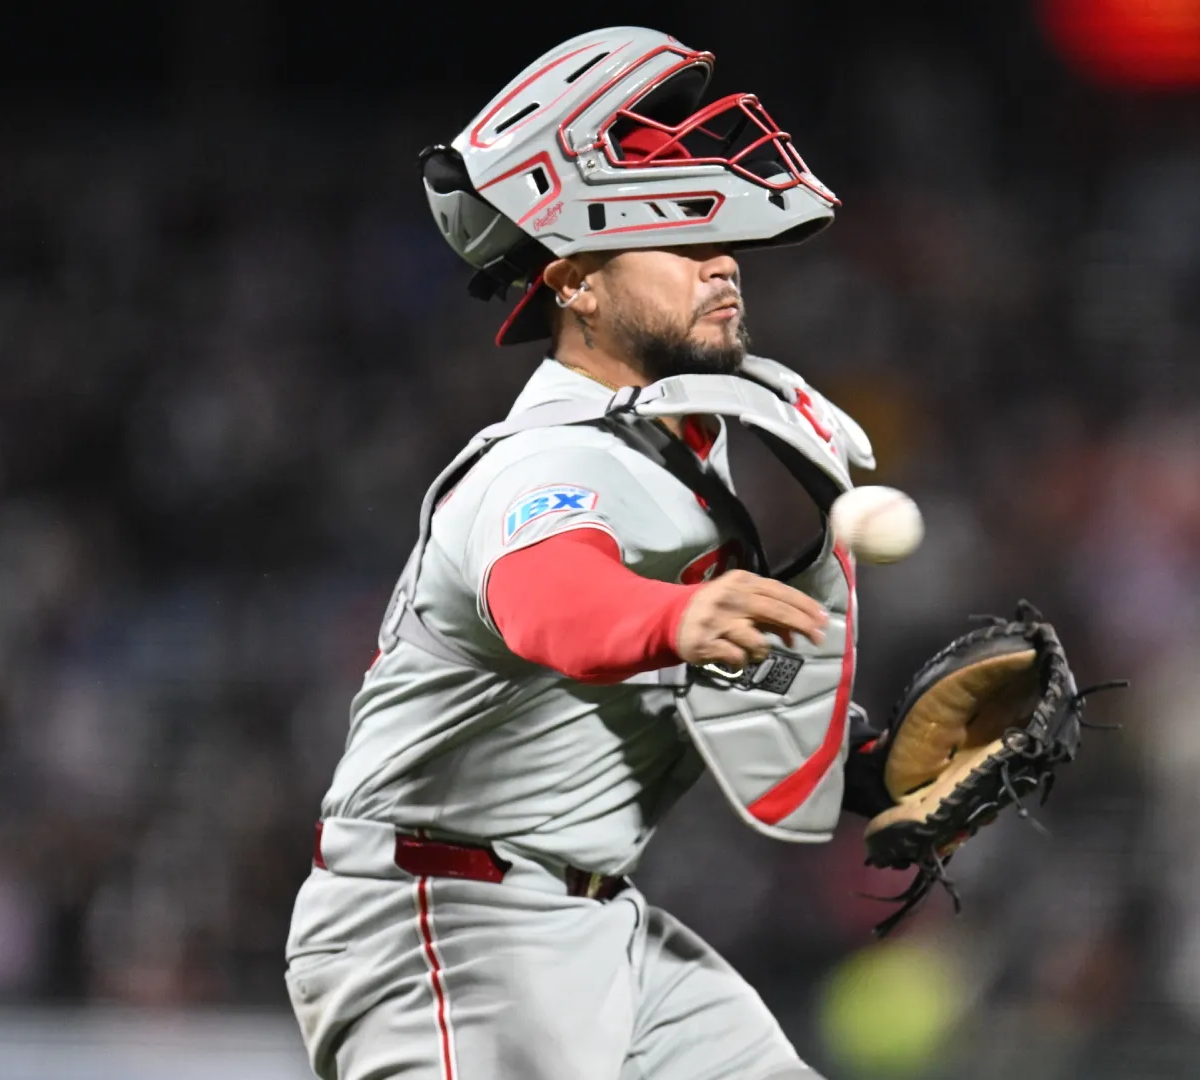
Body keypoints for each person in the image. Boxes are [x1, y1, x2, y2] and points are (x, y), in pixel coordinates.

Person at [284, 27, 879, 1080]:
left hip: (600, 922)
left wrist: (872, 772)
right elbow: (547, 599)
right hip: (442, 920)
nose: (724, 261)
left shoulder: (686, 454)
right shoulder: (554, 454)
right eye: (684, 242)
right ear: (577, 285)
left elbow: (696, 701)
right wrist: (670, 619)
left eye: (726, 238)